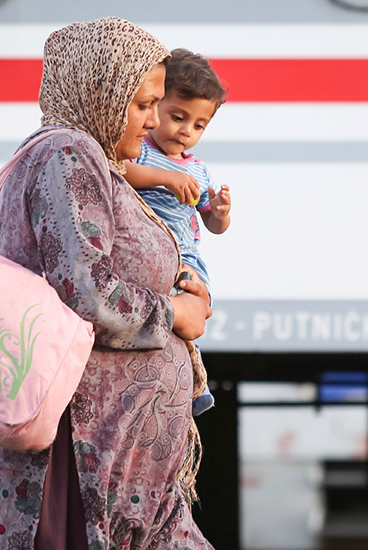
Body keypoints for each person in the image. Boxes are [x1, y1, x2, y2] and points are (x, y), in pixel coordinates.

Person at [0, 18, 214, 550]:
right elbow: (87, 294)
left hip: (119, 464)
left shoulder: (79, 158)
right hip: (85, 458)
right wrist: (176, 313)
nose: (154, 122)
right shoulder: (70, 154)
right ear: (101, 89)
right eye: (142, 104)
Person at [122, 48, 231, 416]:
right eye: (177, 117)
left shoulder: (199, 171)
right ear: (156, 108)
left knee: (191, 319)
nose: (186, 131)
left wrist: (219, 214)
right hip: (152, 249)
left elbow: (212, 224)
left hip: (189, 255)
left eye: (198, 126)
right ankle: (177, 382)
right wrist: (166, 178)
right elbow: (121, 172)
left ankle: (193, 382)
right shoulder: (140, 152)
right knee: (165, 314)